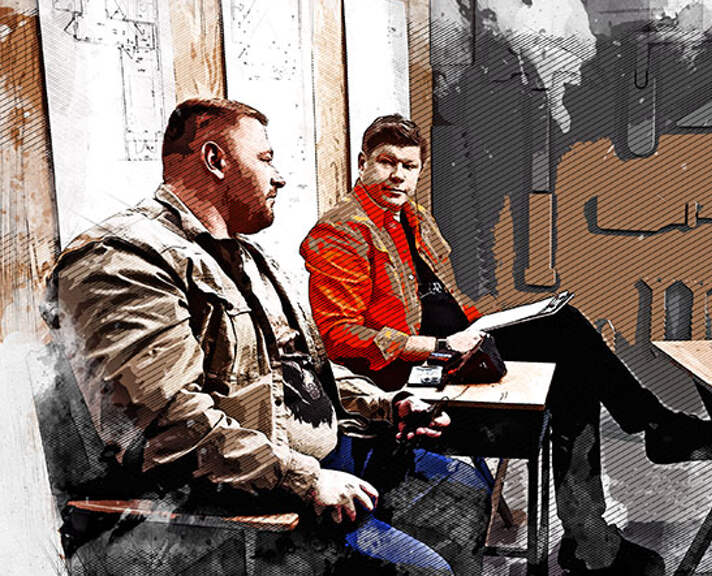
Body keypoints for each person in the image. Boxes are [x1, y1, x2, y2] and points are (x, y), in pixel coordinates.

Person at [43, 99, 491, 576]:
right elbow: (169, 427)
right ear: (215, 160)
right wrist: (304, 479)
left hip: (326, 458)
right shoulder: (123, 260)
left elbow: (303, 370)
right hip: (250, 498)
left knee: (465, 492)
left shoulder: (247, 258)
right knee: (424, 569)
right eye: (265, 159)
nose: (279, 178)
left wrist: (386, 405)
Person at [300, 114, 712, 575]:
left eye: (409, 166)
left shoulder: (412, 217)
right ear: (362, 163)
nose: (398, 175)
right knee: (569, 347)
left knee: (569, 354)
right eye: (386, 162)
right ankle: (620, 487)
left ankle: (599, 522)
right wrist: (437, 345)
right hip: (413, 380)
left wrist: (485, 325)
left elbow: (444, 298)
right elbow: (340, 336)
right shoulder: (341, 231)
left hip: (459, 351)